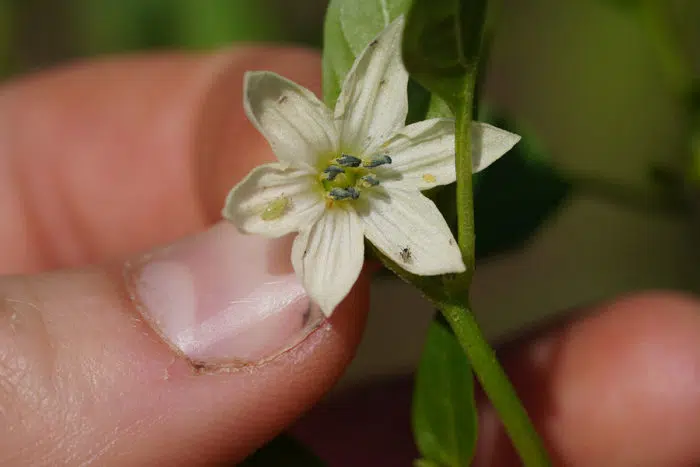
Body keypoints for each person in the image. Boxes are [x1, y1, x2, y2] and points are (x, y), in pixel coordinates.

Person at [0, 46, 699, 467]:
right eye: (341, 175)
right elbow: (255, 202)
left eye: (348, 174)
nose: (346, 176)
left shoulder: (376, 172)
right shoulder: (290, 178)